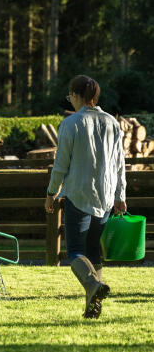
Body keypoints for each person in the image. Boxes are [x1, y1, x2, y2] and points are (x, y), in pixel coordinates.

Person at [45, 75, 127, 319]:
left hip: (78, 195)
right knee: (94, 253)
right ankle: (93, 305)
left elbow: (60, 164)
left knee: (76, 252)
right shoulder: (112, 122)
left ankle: (93, 287)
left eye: (70, 95)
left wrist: (51, 192)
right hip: (104, 197)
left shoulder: (71, 124)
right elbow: (120, 164)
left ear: (77, 95)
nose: (69, 99)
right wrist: (120, 194)